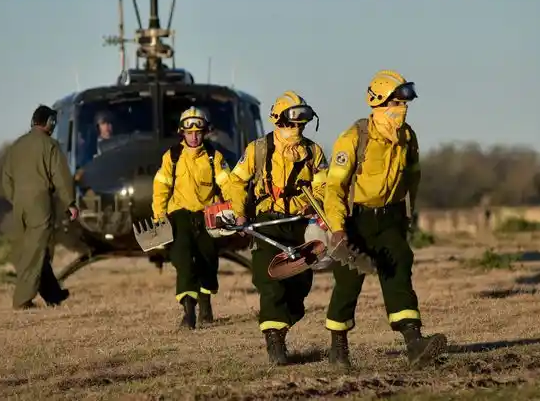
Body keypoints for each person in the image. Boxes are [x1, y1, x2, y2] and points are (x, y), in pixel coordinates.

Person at [322, 70, 447, 368]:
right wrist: (337, 230)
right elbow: (334, 188)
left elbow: (413, 179)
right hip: (355, 220)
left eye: (404, 103)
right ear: (379, 102)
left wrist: (407, 215)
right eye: (396, 102)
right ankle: (338, 347)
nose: (402, 108)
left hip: (390, 218)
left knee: (399, 269)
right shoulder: (353, 138)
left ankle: (414, 343)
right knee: (348, 285)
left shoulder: (407, 137)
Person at [229, 91, 328, 365]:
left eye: (303, 122)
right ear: (279, 119)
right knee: (270, 282)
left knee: (299, 286)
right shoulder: (258, 150)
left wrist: (316, 203)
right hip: (266, 224)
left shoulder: (314, 151)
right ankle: (275, 344)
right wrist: (240, 214)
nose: (299, 127)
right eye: (294, 121)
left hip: (299, 225)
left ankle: (283, 324)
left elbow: (324, 184)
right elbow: (236, 181)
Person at [152, 107, 234, 329]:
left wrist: (235, 209)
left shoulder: (215, 157)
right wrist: (159, 217)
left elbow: (228, 185)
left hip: (208, 216)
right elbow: (160, 188)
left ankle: (206, 303)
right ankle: (189, 312)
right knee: (183, 261)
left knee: (208, 261)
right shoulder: (171, 157)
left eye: (198, 132)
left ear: (205, 132)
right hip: (179, 215)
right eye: (190, 132)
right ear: (183, 133)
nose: (194, 136)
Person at [1, 105, 79, 310]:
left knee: (28, 249)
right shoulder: (50, 145)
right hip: (40, 204)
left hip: (19, 205)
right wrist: (70, 203)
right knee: (36, 251)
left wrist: (16, 199)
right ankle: (22, 300)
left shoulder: (16, 146)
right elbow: (61, 177)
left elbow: (6, 178)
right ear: (49, 122)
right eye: (54, 122)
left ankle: (53, 294)